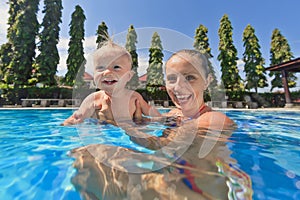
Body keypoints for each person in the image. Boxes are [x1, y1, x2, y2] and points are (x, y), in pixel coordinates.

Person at [69, 49, 252, 199]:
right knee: (87, 155)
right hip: (171, 177)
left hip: (196, 192)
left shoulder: (214, 120)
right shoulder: (173, 115)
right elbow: (159, 147)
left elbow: (161, 146)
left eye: (190, 77)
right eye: (172, 79)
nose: (179, 86)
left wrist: (129, 127)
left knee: (89, 163)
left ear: (207, 81)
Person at [62, 39, 161, 126]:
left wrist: (167, 121)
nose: (107, 72)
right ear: (94, 74)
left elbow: (154, 114)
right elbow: (75, 119)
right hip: (102, 135)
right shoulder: (93, 99)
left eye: (116, 67)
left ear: (129, 76)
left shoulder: (134, 97)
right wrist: (64, 126)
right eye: (101, 68)